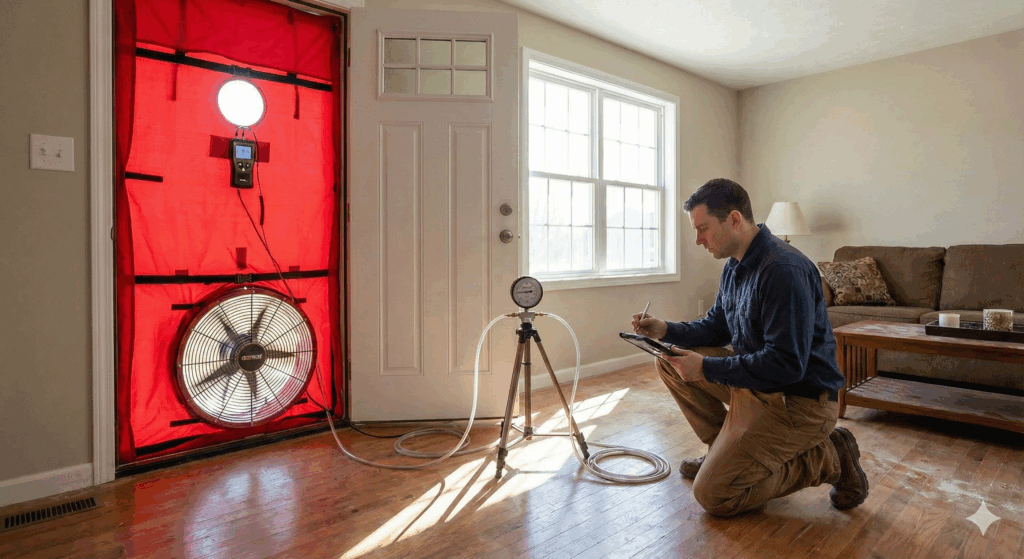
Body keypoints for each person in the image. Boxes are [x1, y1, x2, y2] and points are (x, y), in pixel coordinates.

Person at [632, 178, 868, 517]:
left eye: (703, 229)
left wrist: (706, 368)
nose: (698, 240)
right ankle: (720, 451)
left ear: (734, 219)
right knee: (669, 359)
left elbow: (787, 364)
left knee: (716, 495)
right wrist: (665, 328)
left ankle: (830, 457)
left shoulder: (783, 270)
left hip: (800, 402)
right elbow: (716, 326)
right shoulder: (734, 266)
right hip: (758, 384)